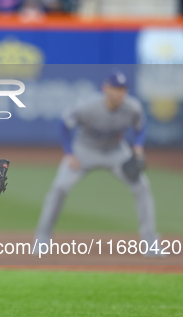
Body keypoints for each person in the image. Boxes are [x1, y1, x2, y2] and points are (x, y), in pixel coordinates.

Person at [33, 70, 160, 256]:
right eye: (116, 88)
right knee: (59, 188)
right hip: (84, 150)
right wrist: (69, 153)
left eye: (123, 89)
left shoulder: (133, 107)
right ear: (106, 89)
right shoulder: (88, 106)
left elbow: (141, 126)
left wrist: (138, 146)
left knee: (142, 186)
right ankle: (42, 237)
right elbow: (64, 123)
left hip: (116, 151)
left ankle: (150, 241)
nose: (120, 93)